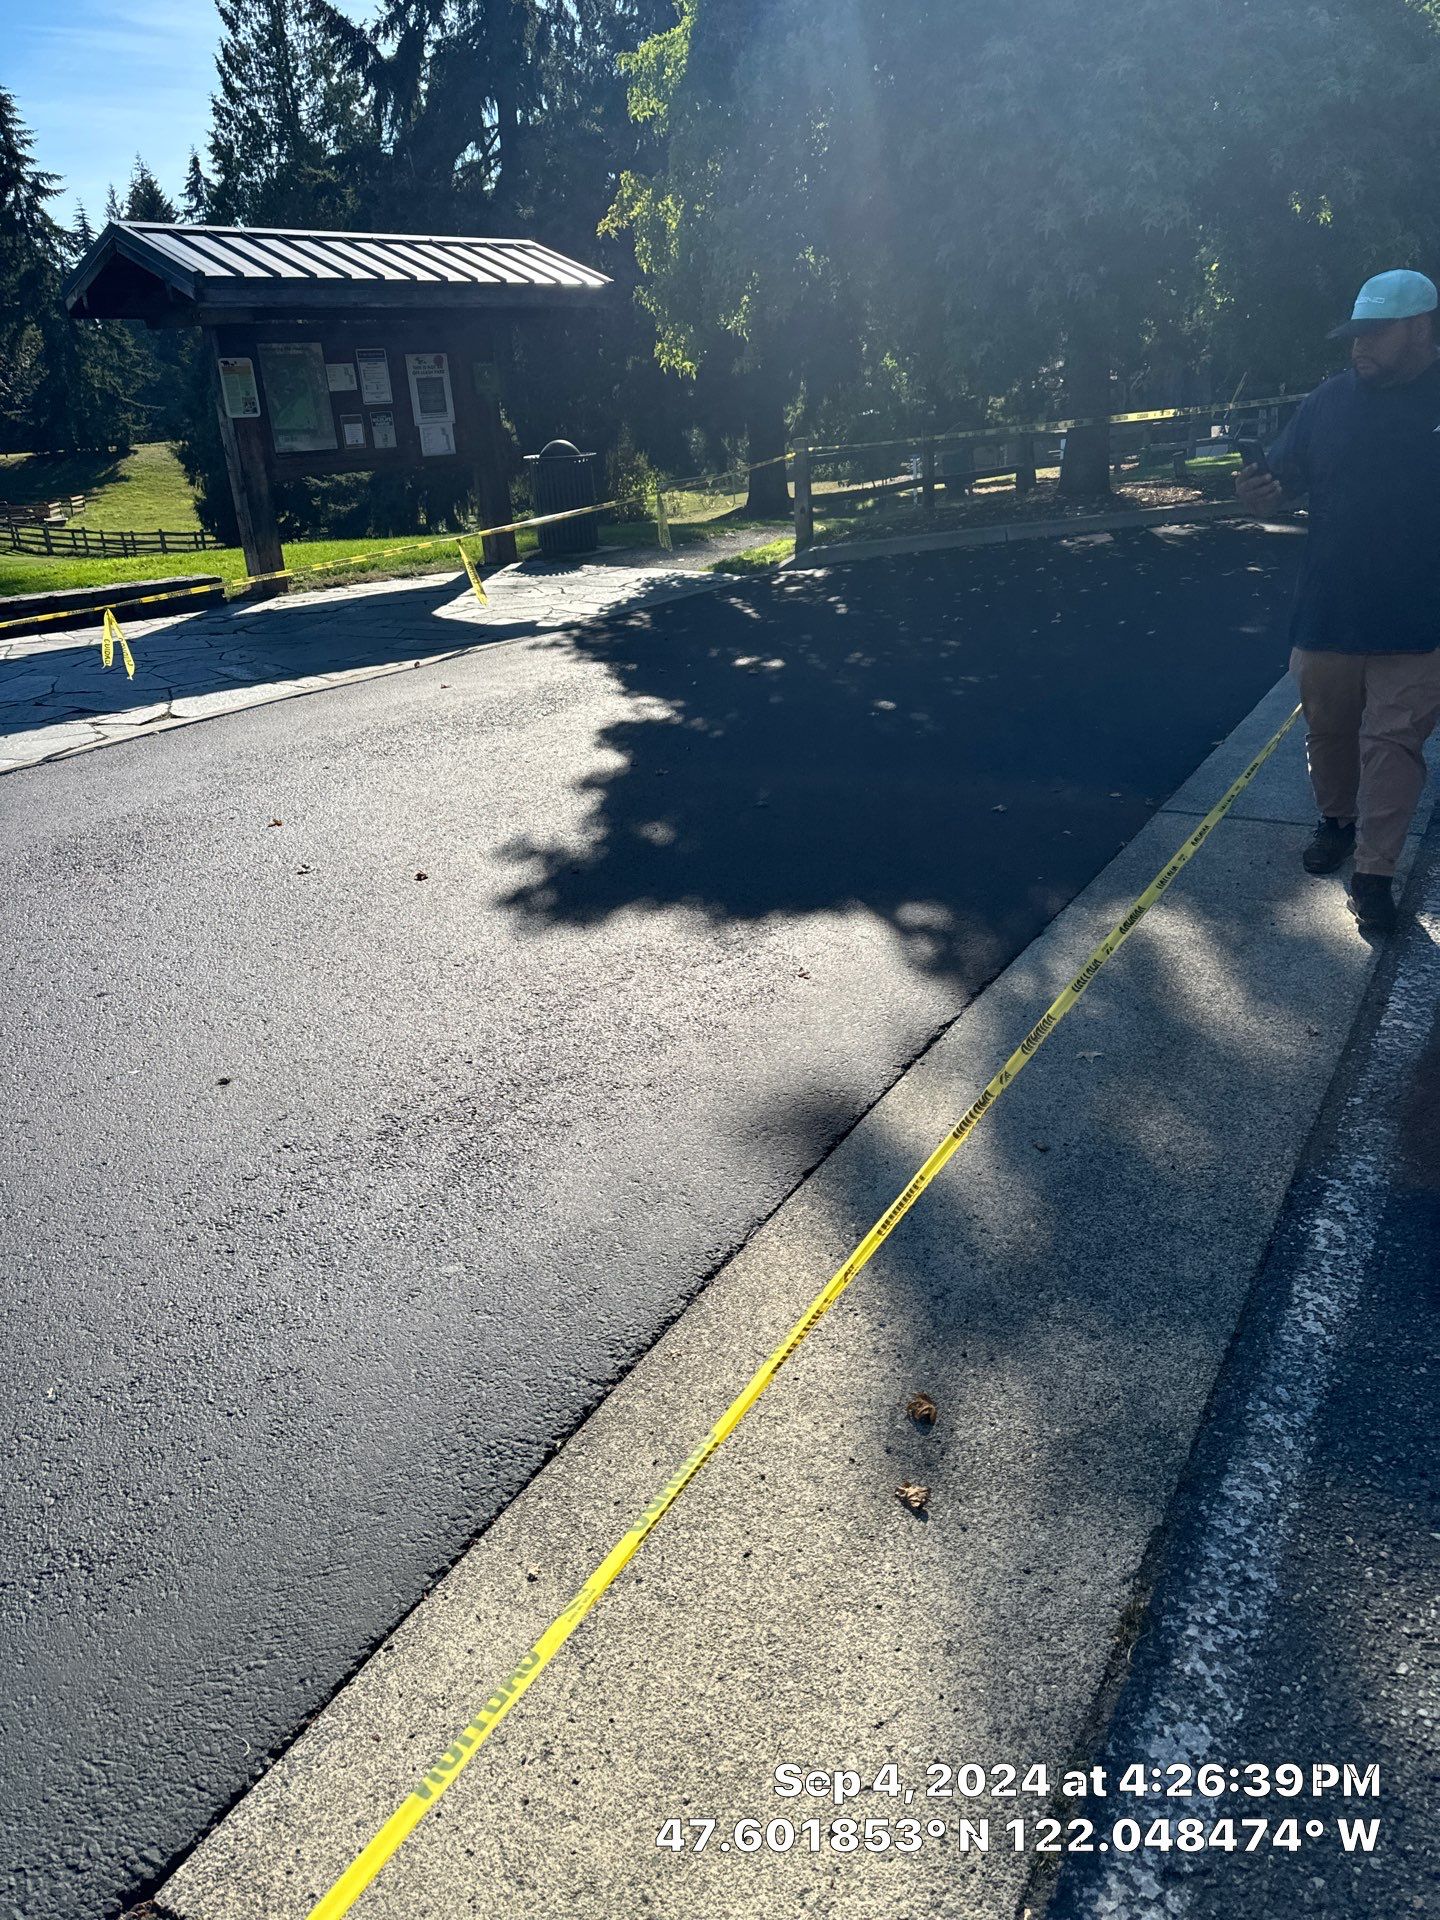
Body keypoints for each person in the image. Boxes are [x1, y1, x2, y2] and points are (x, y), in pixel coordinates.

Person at [1236, 268, 1440, 935]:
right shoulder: (1328, 402)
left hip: (1420, 617)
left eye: (1375, 335)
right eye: (1355, 335)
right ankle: (1336, 821)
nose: (1360, 348)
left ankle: (1375, 873)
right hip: (1329, 607)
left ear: (1419, 328)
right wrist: (1264, 490)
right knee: (1328, 732)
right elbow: (1284, 476)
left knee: (1391, 743)